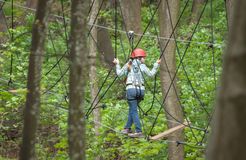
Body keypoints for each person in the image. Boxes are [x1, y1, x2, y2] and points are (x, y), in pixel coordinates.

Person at [113, 48, 161, 138]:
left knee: (133, 110)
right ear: (139, 58)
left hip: (131, 90)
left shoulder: (129, 64)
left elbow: (119, 74)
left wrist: (117, 64)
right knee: (133, 109)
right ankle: (127, 128)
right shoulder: (142, 66)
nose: (145, 59)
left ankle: (138, 130)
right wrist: (156, 64)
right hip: (141, 91)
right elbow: (151, 74)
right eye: (144, 57)